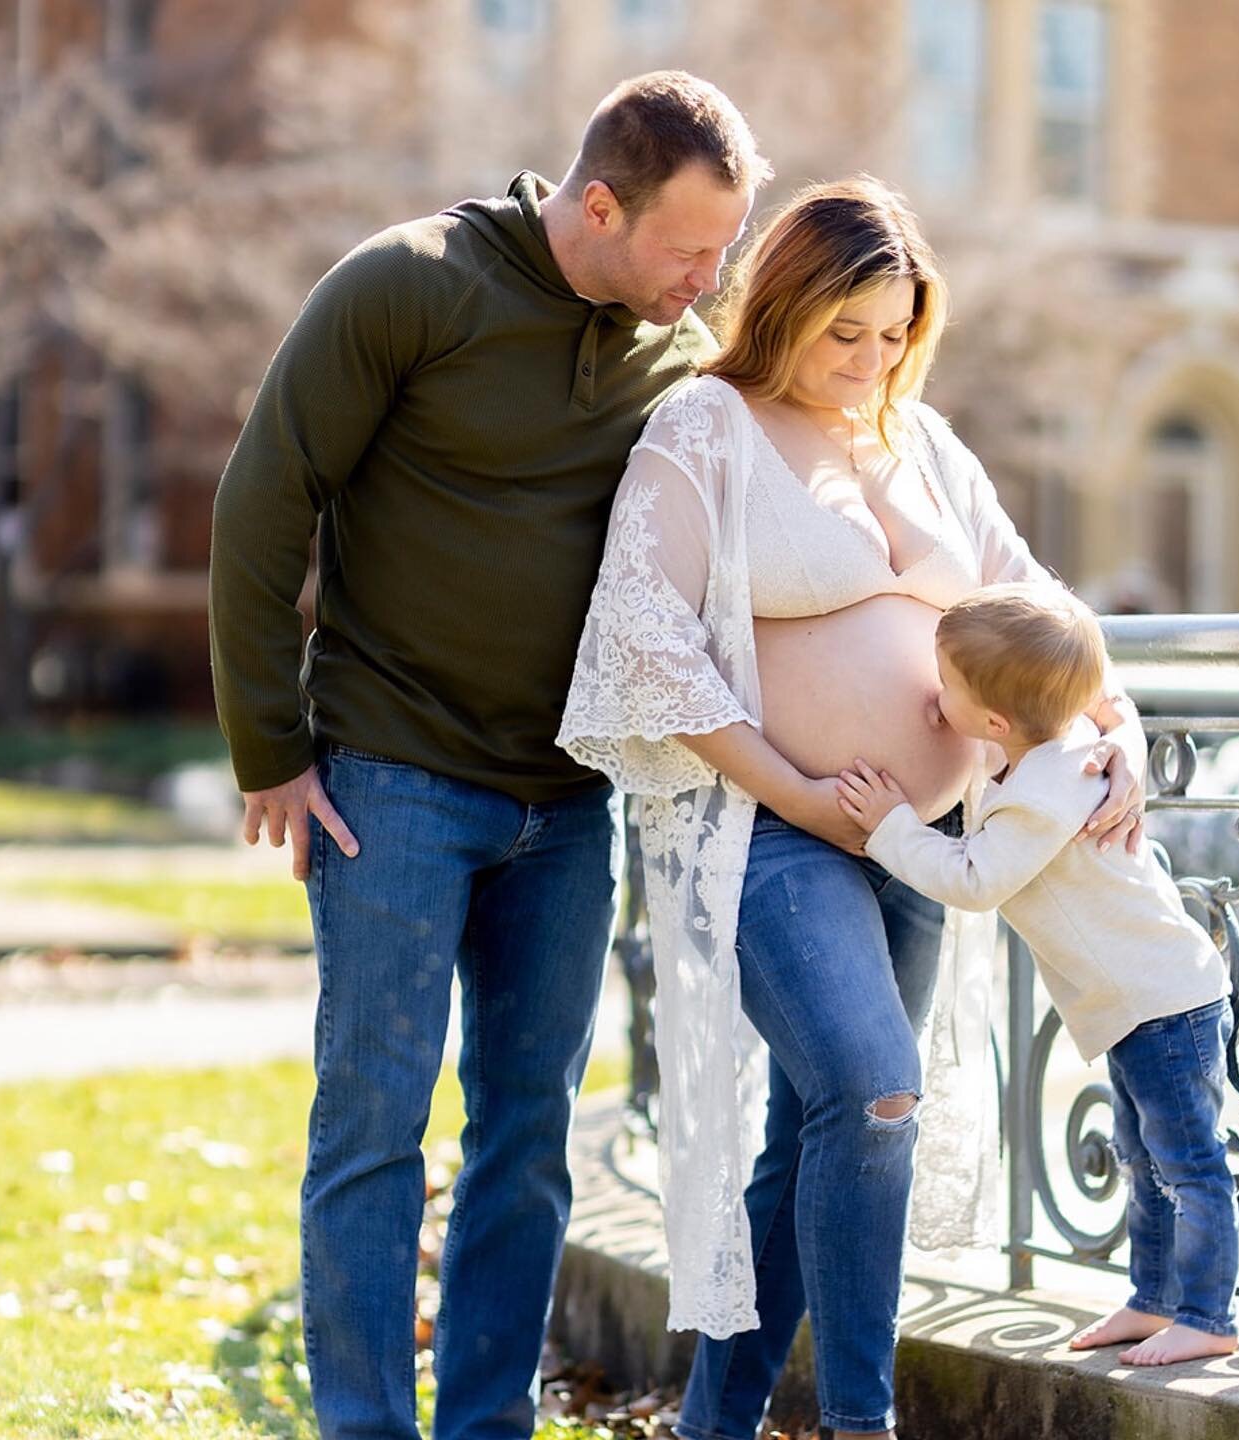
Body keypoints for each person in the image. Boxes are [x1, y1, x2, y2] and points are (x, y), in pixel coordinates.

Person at [208, 72, 769, 1440]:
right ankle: (362, 1425)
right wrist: (269, 749)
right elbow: (264, 502)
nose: (711, 280)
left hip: (568, 807)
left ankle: (484, 1426)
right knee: (374, 1129)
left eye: (727, 251)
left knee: (527, 1146)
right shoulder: (408, 286)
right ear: (598, 204)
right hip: (390, 781)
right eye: (692, 249)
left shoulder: (676, 358)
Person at [557, 179, 1147, 1440]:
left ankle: (715, 1425)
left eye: (893, 334)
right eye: (845, 332)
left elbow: (1037, 601)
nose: (870, 359)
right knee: (877, 1090)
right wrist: (806, 796)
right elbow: (647, 645)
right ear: (785, 302)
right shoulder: (705, 428)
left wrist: (1119, 725)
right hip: (771, 828)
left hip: (921, 847)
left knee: (813, 1131)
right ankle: (863, 1423)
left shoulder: (921, 444)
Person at [836, 582, 1237, 1366]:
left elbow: (975, 879)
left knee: (1189, 1165)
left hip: (1165, 1002)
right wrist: (956, 716)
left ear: (994, 721)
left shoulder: (1047, 792)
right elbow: (1004, 756)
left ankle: (1207, 1314)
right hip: (1137, 1003)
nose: (933, 693)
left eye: (944, 685)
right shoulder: (1048, 749)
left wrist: (890, 827)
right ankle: (1155, 1302)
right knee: (1143, 1160)